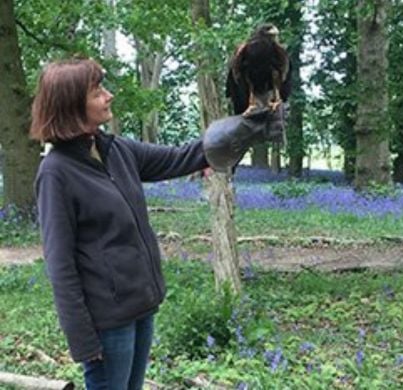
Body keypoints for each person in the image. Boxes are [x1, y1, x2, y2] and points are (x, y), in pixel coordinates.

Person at [30, 58, 281, 389]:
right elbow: (60, 265)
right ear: (71, 105)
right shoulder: (56, 173)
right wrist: (83, 341)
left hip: (140, 307)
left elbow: (180, 157)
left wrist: (248, 127)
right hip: (107, 321)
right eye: (97, 92)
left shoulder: (115, 150)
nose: (109, 96)